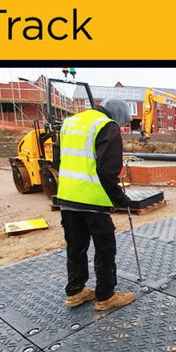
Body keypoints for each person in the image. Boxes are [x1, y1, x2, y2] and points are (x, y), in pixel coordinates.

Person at [56, 98, 135, 311]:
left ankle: (75, 291)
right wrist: (121, 199)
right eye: (123, 123)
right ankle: (106, 295)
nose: (122, 127)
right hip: (92, 199)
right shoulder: (106, 126)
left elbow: (58, 159)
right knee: (105, 248)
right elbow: (107, 170)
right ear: (117, 115)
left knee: (76, 246)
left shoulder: (70, 123)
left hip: (67, 197)